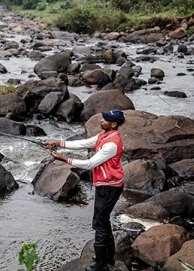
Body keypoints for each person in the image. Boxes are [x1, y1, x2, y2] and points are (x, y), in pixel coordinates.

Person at [44, 109, 125, 271]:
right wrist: (58, 143)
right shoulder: (104, 135)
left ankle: (101, 263)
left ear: (113, 124)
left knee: (99, 223)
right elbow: (83, 143)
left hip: (109, 186)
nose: (101, 121)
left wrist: (64, 158)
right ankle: (108, 257)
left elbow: (89, 164)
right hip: (107, 184)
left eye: (105, 120)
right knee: (103, 220)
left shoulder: (111, 144)